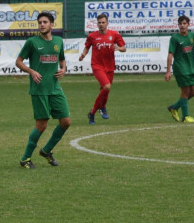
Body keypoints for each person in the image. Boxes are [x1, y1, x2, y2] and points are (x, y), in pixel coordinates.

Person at [15, 11, 71, 169]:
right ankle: (25, 159)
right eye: (40, 22)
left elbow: (62, 59)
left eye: (45, 22)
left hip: (55, 88)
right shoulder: (32, 42)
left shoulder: (58, 41)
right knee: (42, 125)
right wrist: (31, 71)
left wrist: (63, 69)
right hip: (39, 89)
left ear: (52, 24)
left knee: (66, 122)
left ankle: (46, 150)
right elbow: (18, 62)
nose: (42, 25)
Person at [79, 13, 126, 125]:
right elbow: (87, 47)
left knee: (105, 91)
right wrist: (83, 55)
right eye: (99, 22)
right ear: (97, 23)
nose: (101, 24)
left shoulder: (114, 34)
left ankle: (92, 113)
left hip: (110, 66)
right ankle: (103, 107)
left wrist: (118, 48)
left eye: (103, 22)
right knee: (107, 86)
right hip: (97, 66)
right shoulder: (92, 36)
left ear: (107, 23)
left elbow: (124, 48)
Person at [165, 15, 194, 123]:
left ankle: (174, 107)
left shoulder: (192, 36)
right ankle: (186, 117)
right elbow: (170, 54)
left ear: (189, 24)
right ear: (178, 25)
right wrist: (168, 71)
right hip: (180, 68)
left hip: (190, 68)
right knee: (186, 91)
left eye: (184, 23)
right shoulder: (175, 38)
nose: (182, 26)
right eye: (180, 24)